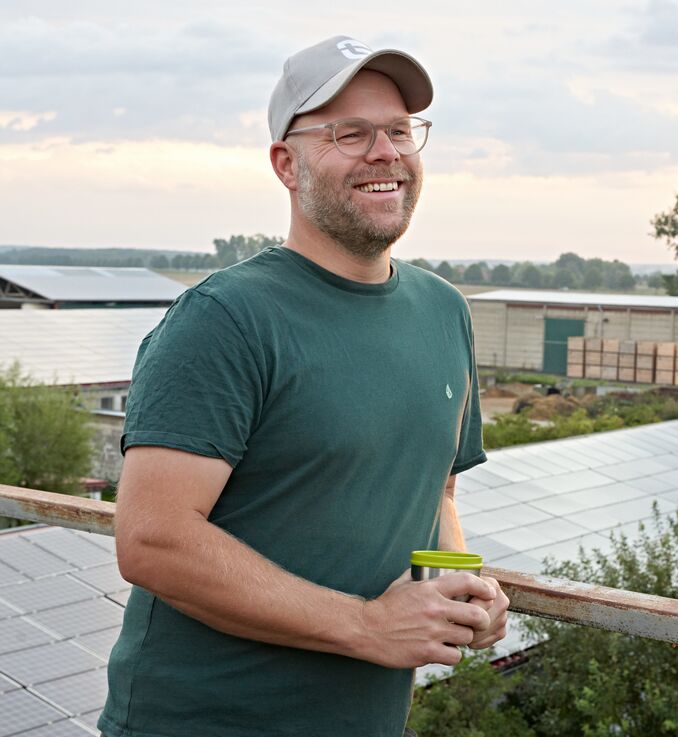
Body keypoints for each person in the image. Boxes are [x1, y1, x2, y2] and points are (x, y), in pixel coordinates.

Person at [98, 35, 509, 737]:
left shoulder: (445, 313)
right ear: (286, 165)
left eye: (400, 130)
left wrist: (457, 588)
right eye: (350, 133)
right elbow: (153, 539)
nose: (385, 152)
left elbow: (434, 490)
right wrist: (365, 625)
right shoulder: (226, 318)